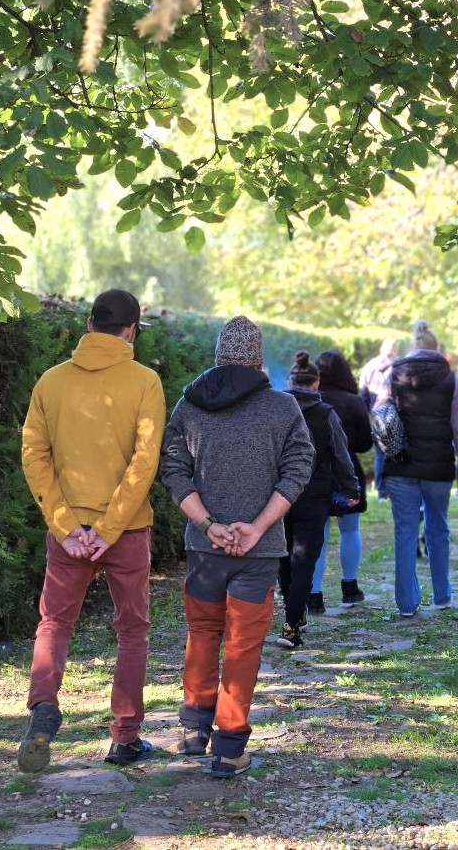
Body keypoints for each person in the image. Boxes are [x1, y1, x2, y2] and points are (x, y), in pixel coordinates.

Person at [18, 289, 166, 772]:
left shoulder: (51, 381)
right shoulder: (145, 382)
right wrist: (110, 526)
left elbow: (34, 456)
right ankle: (124, 737)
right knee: (132, 631)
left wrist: (64, 524)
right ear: (131, 330)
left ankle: (43, 707)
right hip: (125, 530)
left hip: (69, 531)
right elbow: (145, 462)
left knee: (54, 623)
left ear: (88, 325)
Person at [160, 316, 314, 778]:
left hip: (204, 547)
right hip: (259, 550)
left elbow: (172, 468)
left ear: (217, 355)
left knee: (203, 633)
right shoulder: (283, 407)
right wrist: (257, 526)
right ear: (259, 358)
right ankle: (229, 747)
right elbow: (299, 467)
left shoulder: (189, 405)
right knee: (244, 644)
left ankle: (193, 727)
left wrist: (207, 524)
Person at [383, 320, 458, 616]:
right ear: (436, 350)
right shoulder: (451, 378)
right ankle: (442, 595)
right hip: (438, 466)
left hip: (401, 465)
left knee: (405, 531)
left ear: (413, 348)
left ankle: (406, 604)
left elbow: (384, 415)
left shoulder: (395, 374)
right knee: (438, 528)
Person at [278, 351, 359, 648]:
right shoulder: (325, 413)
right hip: (314, 493)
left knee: (284, 556)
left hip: (278, 494)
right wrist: (351, 490)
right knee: (304, 559)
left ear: (289, 381)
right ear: (316, 385)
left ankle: (293, 612)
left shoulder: (277, 409)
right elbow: (341, 455)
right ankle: (291, 623)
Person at [310, 349, 373, 611]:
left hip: (314, 472)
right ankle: (350, 587)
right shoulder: (354, 401)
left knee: (317, 535)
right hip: (347, 472)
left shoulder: (309, 399)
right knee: (350, 529)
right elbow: (365, 443)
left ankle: (314, 595)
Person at [359, 338, 399, 500]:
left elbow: (363, 392)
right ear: (396, 349)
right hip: (396, 414)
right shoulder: (401, 365)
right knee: (397, 453)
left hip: (376, 414)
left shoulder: (370, 366)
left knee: (380, 454)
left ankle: (382, 492)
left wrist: (368, 412)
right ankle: (395, 489)